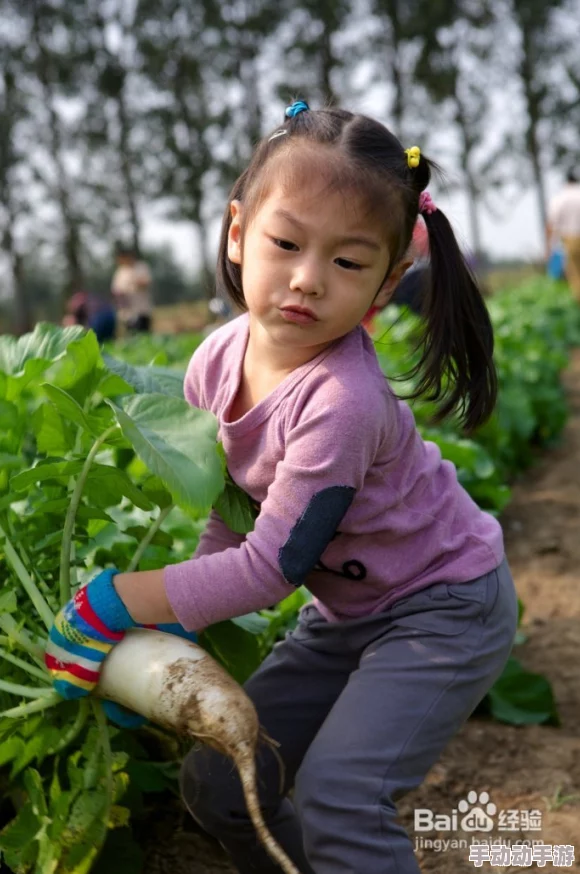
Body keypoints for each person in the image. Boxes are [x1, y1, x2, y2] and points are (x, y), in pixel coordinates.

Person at [45, 102, 518, 874]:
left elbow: (268, 569)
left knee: (341, 796)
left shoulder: (342, 402)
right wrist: (168, 643)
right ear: (238, 233)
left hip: (444, 609)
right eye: (286, 243)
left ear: (388, 280)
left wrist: (115, 603)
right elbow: (232, 519)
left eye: (347, 261)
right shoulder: (214, 362)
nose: (306, 279)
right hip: (349, 614)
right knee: (223, 781)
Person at [546, 169, 580, 299]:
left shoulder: (561, 198)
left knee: (576, 276)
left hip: (571, 239)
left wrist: (549, 247)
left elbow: (551, 224)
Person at [110, 243, 153, 332]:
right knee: (131, 338)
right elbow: (115, 291)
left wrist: (135, 281)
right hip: (127, 313)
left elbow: (147, 282)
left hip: (142, 311)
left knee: (144, 337)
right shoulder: (120, 272)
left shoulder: (141, 267)